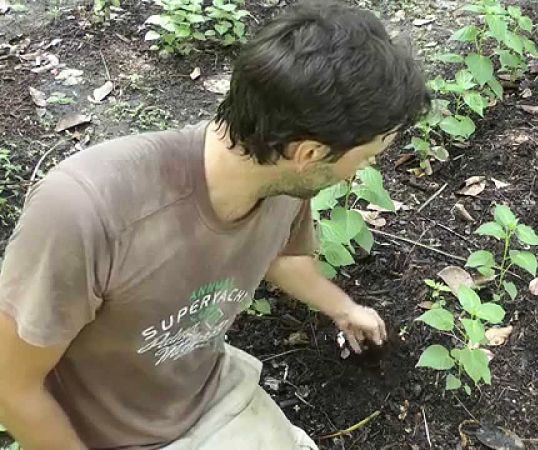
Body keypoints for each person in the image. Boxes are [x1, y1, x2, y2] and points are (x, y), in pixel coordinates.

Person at [0, 0, 430, 448]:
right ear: (309, 154)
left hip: (209, 395)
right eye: (368, 158)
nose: (362, 172)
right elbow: (11, 387)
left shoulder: (279, 182)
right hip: (112, 435)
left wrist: (342, 307)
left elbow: (281, 254)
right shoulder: (87, 211)